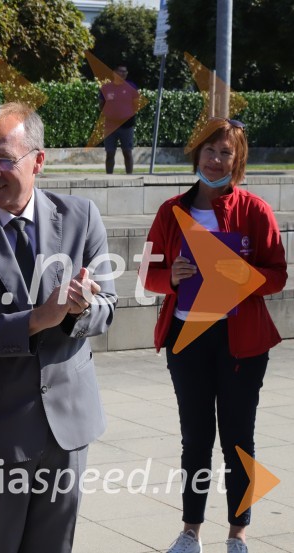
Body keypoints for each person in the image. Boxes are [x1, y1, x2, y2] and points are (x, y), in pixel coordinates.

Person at [0, 102, 117, 553]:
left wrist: (78, 310)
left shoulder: (81, 216)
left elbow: (108, 308)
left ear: (38, 160)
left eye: (2, 159)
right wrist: (35, 320)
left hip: (67, 424)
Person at [142, 118, 287, 553]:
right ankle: (190, 532)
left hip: (240, 340)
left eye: (226, 152)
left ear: (237, 162)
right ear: (197, 154)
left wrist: (241, 275)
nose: (216, 158)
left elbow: (277, 276)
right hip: (188, 338)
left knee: (239, 438)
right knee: (196, 438)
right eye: (209, 150)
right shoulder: (171, 211)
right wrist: (172, 276)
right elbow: (147, 273)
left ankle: (237, 534)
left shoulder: (255, 211)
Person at [99, 64, 139, 174]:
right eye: (121, 71)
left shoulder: (131, 87)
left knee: (127, 152)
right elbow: (101, 104)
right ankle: (109, 176)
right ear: (114, 73)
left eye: (125, 72)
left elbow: (136, 105)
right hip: (110, 125)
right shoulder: (106, 88)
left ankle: (129, 176)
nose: (123, 74)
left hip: (127, 125)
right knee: (110, 153)